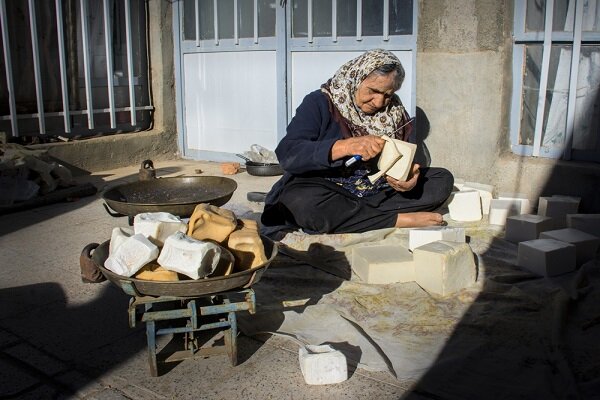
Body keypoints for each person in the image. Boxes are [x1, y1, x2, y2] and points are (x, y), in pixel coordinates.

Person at [261, 49, 453, 240]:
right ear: (355, 78)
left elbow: (402, 161)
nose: (379, 102)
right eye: (373, 91)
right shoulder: (319, 102)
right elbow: (289, 153)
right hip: (325, 187)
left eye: (387, 94)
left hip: (373, 190)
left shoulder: (394, 110)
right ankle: (394, 219)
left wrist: (408, 181)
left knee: (441, 180)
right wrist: (345, 146)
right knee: (300, 202)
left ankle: (355, 216)